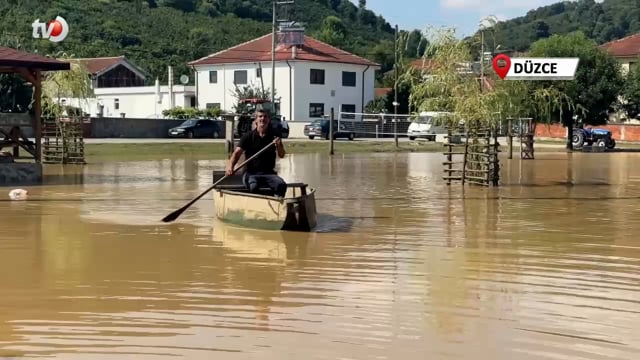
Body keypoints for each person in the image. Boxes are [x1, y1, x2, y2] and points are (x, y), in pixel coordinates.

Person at [225, 109, 287, 197]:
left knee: (281, 185)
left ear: (268, 120)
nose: (263, 119)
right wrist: (230, 167)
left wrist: (279, 146)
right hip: (251, 173)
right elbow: (237, 153)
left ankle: (278, 204)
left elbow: (282, 155)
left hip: (269, 173)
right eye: (260, 116)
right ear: (256, 120)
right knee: (254, 187)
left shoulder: (274, 137)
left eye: (265, 117)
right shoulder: (248, 136)